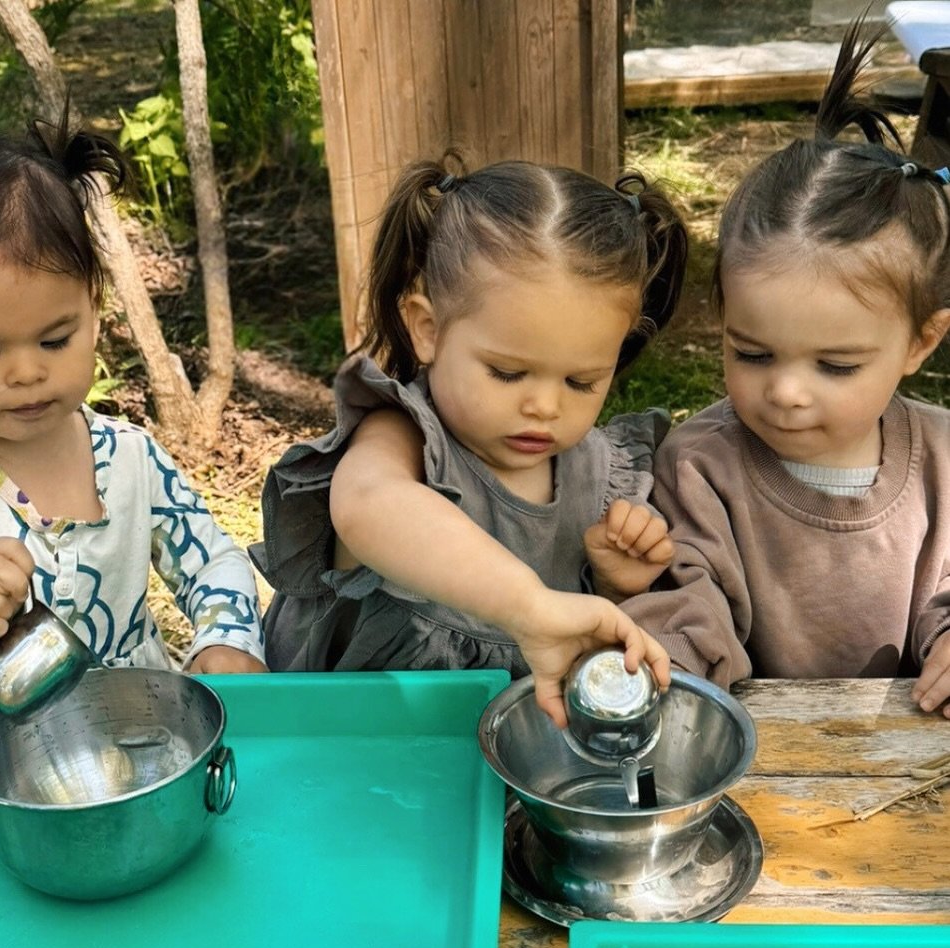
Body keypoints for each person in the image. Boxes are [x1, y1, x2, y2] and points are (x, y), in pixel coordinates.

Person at [250, 155, 689, 727]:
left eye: (582, 381)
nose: (546, 406)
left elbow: (576, 648)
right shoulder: (403, 437)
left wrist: (609, 585)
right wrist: (528, 606)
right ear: (427, 329)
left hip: (510, 764)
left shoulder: (598, 472)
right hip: (358, 747)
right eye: (507, 373)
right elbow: (366, 506)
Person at [621, 20, 950, 715]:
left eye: (835, 365)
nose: (785, 392)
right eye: (750, 352)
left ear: (920, 342)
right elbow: (685, 603)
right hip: (765, 762)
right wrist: (662, 671)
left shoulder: (942, 460)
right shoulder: (697, 465)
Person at [0, 116, 266, 682]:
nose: (29, 371)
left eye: (56, 339)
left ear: (94, 310)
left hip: (138, 732)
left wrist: (226, 638)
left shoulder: (132, 457)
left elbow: (212, 560)